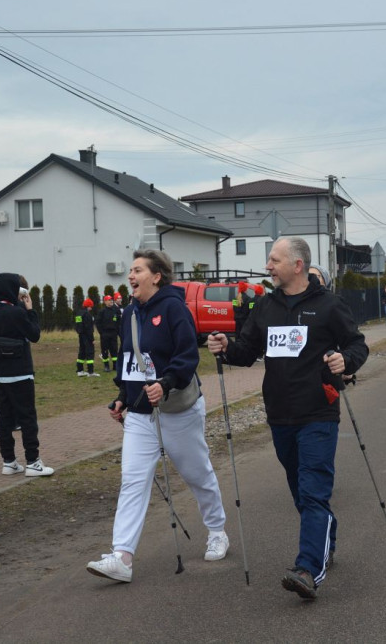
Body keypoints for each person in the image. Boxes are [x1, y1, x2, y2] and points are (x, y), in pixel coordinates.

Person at [208, 237, 368, 600]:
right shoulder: (266, 307)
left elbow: (358, 345)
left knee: (313, 491)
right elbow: (246, 351)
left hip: (318, 413)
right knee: (301, 491)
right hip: (280, 416)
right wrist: (224, 346)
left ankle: (308, 569)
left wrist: (347, 361)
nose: (268, 266)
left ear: (297, 265)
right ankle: (325, 535)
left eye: (274, 260)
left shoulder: (329, 306)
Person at [87, 249, 229, 584]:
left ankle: (217, 529)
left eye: (137, 270)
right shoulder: (129, 313)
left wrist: (165, 384)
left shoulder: (173, 308)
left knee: (196, 474)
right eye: (130, 271)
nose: (130, 277)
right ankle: (122, 556)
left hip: (178, 408)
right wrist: (122, 397)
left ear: (156, 276)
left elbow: (187, 355)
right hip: (140, 414)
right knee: (133, 480)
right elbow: (128, 360)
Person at [0, 273, 54, 477]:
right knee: (27, 418)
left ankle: (9, 461)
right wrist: (30, 310)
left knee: (4, 419)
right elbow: (35, 335)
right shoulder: (17, 313)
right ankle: (33, 461)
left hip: (1, 375)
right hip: (21, 373)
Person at [95, 294, 121, 372]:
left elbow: (119, 321)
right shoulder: (102, 311)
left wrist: (117, 331)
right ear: (105, 301)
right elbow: (98, 322)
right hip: (105, 334)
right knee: (105, 350)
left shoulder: (115, 310)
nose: (111, 301)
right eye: (109, 300)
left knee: (114, 350)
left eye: (111, 300)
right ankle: (106, 366)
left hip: (113, 333)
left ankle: (115, 365)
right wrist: (101, 332)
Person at [74, 298, 97, 377]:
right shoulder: (87, 314)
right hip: (87, 336)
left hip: (81, 335)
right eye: (91, 306)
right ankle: (90, 372)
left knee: (81, 353)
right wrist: (92, 339)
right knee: (90, 353)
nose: (91, 308)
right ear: (88, 306)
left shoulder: (78, 313)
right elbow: (89, 328)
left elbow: (77, 326)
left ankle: (80, 370)